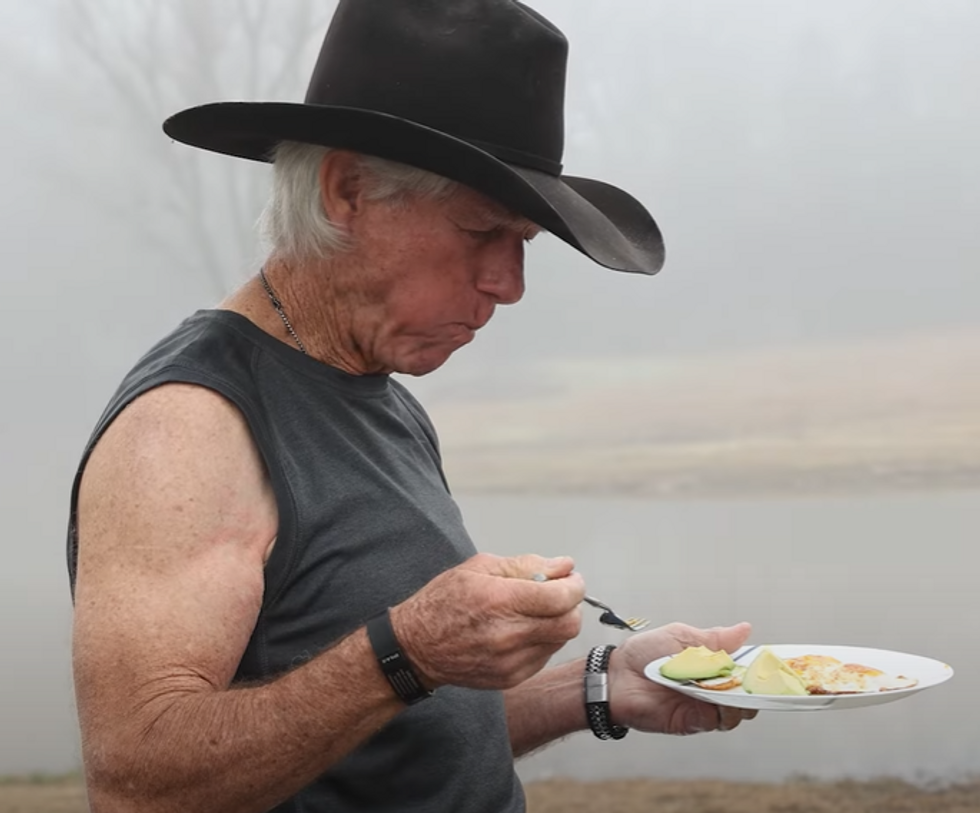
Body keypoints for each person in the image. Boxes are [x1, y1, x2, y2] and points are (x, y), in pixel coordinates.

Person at [67, 2, 756, 812]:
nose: (510, 283)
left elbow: (397, 744)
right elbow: (137, 784)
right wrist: (409, 648)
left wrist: (600, 686)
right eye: (482, 231)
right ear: (348, 189)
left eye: (523, 243)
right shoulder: (188, 428)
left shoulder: (380, 395)